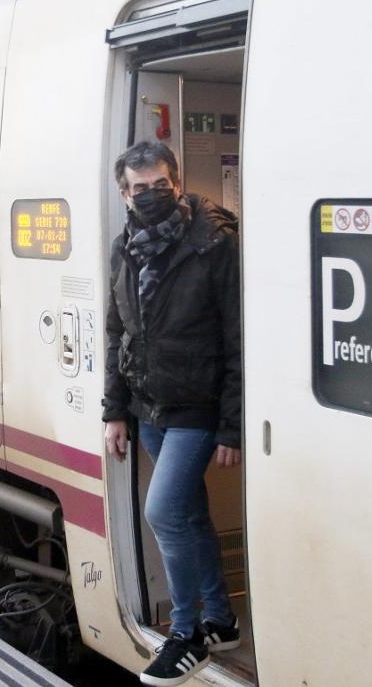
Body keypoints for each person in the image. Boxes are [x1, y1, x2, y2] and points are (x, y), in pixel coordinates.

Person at [102, 140, 242, 687]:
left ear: (177, 184)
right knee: (189, 516)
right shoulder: (125, 248)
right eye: (139, 189)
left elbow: (236, 338)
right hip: (149, 407)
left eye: (161, 185)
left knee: (162, 513)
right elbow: (119, 334)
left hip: (197, 407)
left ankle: (186, 636)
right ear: (124, 193)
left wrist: (231, 423)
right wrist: (116, 411)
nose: (151, 195)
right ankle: (221, 620)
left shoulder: (213, 243)